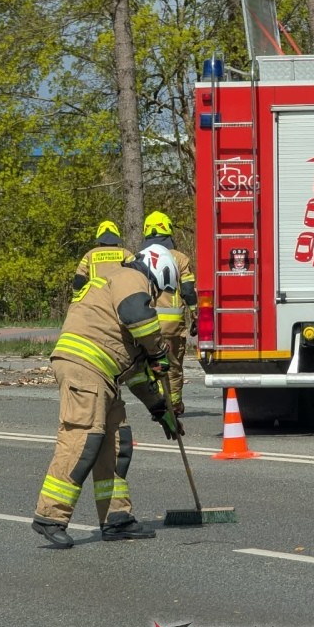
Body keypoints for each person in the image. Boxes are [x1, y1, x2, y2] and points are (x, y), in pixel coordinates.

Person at [32, 244, 182, 549]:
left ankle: (117, 519)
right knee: (83, 439)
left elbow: (138, 375)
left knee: (116, 443)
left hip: (104, 375)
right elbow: (137, 314)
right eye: (159, 289)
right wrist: (158, 350)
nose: (156, 296)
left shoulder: (126, 295)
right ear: (156, 271)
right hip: (84, 367)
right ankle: (49, 516)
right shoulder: (129, 278)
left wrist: (160, 408)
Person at [142, 211, 197, 415]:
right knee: (173, 365)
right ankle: (173, 406)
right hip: (172, 324)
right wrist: (195, 314)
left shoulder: (138, 258)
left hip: (145, 323)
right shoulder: (180, 258)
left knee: (151, 364)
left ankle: (157, 403)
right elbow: (189, 291)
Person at [72, 220, 134, 291]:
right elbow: (136, 272)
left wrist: (76, 297)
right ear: (116, 236)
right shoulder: (125, 253)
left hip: (97, 294)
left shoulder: (90, 255)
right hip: (119, 294)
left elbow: (79, 279)